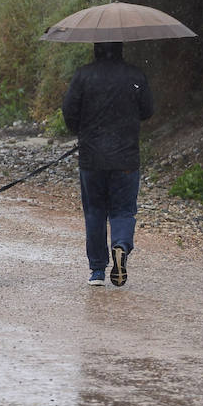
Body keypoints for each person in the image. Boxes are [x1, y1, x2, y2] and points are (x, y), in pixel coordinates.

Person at [61, 41, 154, 286]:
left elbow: (69, 112)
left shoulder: (83, 75)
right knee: (123, 210)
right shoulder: (135, 75)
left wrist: (81, 130)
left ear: (96, 48)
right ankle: (121, 246)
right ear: (121, 48)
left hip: (92, 157)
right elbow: (148, 110)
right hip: (126, 157)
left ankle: (97, 271)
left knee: (94, 212)